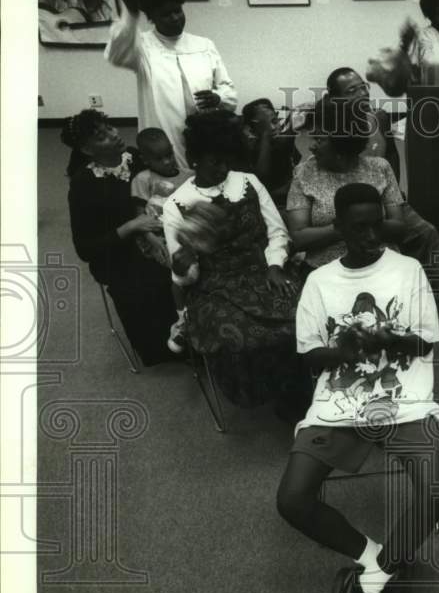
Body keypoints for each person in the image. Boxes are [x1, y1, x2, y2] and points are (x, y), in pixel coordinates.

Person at [276, 183, 439, 593]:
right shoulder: (319, 281)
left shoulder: (408, 269)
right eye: (359, 228)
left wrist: (390, 339)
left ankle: (374, 578)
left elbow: (425, 343)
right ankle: (378, 559)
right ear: (338, 228)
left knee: (438, 492)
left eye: (378, 225)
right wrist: (344, 350)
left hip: (403, 397)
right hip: (340, 399)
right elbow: (309, 357)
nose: (372, 236)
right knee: (292, 500)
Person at [286, 97, 439, 331]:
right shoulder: (304, 173)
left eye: (320, 139)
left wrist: (359, 227)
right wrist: (347, 228)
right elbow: (299, 237)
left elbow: (399, 227)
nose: (312, 146)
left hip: (379, 259)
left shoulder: (379, 168)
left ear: (341, 139)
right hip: (329, 266)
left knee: (396, 322)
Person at [162, 110, 306, 414]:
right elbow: (186, 278)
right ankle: (270, 394)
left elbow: (276, 231)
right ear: (194, 159)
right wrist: (183, 262)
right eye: (215, 162)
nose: (224, 169)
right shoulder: (176, 204)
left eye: (228, 160)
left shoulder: (248, 182)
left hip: (263, 269)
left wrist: (275, 266)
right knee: (239, 338)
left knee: (303, 316)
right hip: (215, 285)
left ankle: (299, 390)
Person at [61, 110, 177, 366]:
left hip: (154, 233)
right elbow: (85, 249)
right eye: (102, 136)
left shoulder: (135, 157)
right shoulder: (83, 185)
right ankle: (166, 348)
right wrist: (132, 226)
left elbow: (159, 189)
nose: (114, 135)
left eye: (110, 128)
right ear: (87, 150)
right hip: (116, 254)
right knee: (154, 284)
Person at [105, 0, 237, 170]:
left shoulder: (204, 45)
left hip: (205, 132)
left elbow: (228, 90)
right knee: (171, 178)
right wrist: (130, 17)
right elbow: (116, 54)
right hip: (165, 134)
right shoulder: (143, 47)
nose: (175, 18)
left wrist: (218, 97)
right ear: (152, 18)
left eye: (177, 11)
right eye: (166, 14)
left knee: (209, 173)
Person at [131, 127, 193, 352]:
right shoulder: (143, 179)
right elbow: (139, 216)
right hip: (157, 236)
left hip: (185, 233)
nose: (167, 161)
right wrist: (150, 238)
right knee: (180, 271)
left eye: (169, 154)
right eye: (159, 158)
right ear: (145, 159)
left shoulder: (188, 175)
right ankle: (182, 320)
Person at [240, 98, 301, 213]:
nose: (272, 128)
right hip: (270, 207)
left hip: (292, 201)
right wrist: (265, 135)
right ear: (251, 129)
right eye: (263, 125)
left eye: (274, 121)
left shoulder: (282, 142)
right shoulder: (250, 149)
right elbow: (261, 179)